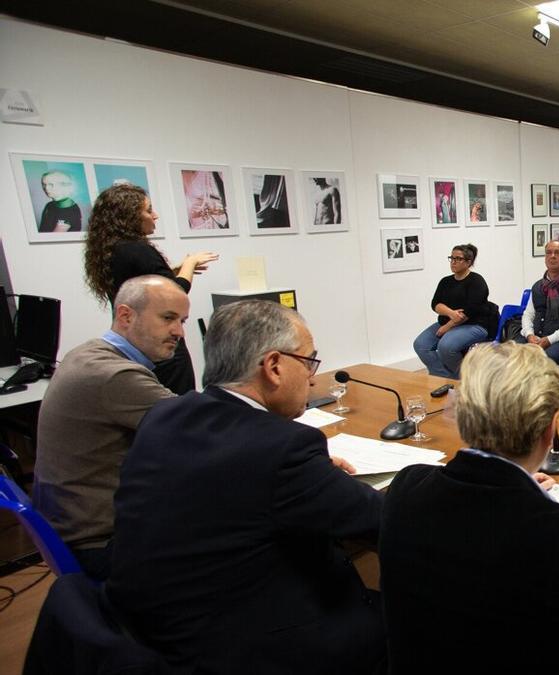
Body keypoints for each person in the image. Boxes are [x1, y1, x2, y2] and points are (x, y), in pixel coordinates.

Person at [106, 300, 386, 673]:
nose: (313, 378)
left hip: (151, 633)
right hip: (245, 647)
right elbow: (379, 520)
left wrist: (306, 477)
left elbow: (228, 486)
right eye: (308, 362)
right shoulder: (281, 448)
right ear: (273, 366)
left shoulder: (166, 416)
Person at [379, 342, 559, 672]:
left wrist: (521, 487)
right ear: (551, 430)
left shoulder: (406, 487)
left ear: (462, 416)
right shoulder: (558, 533)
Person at [32, 276, 185, 580]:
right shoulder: (116, 375)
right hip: (100, 544)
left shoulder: (87, 353)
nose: (178, 332)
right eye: (168, 318)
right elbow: (205, 426)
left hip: (72, 527)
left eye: (182, 320)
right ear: (126, 315)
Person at [83, 183, 218, 394]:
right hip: (160, 340)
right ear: (128, 216)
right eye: (148, 210)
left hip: (136, 340)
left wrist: (173, 269)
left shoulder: (111, 251)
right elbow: (175, 293)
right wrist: (190, 264)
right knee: (177, 401)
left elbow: (142, 287)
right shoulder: (139, 250)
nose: (155, 215)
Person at [413, 243, 496, 379]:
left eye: (458, 259)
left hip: (474, 325)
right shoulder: (445, 282)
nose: (453, 262)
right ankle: (443, 376)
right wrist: (451, 313)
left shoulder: (477, 282)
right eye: (452, 258)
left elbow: (468, 312)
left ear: (468, 262)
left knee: (446, 346)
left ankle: (465, 379)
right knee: (421, 345)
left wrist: (448, 326)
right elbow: (436, 304)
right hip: (449, 321)